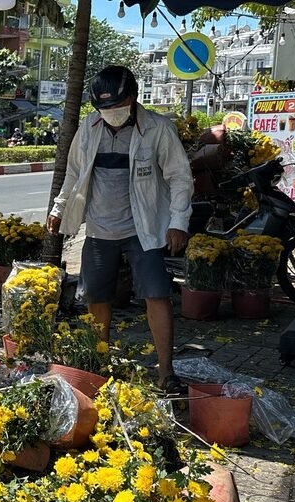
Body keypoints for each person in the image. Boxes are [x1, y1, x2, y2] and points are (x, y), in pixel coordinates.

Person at [47, 66, 193, 394]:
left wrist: (177, 223)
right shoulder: (89, 127)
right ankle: (100, 366)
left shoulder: (158, 128)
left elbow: (180, 177)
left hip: (145, 229)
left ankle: (166, 372)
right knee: (96, 297)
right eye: (104, 109)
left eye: (116, 107)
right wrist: (59, 208)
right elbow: (73, 173)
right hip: (100, 229)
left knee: (156, 294)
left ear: (133, 98)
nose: (111, 114)